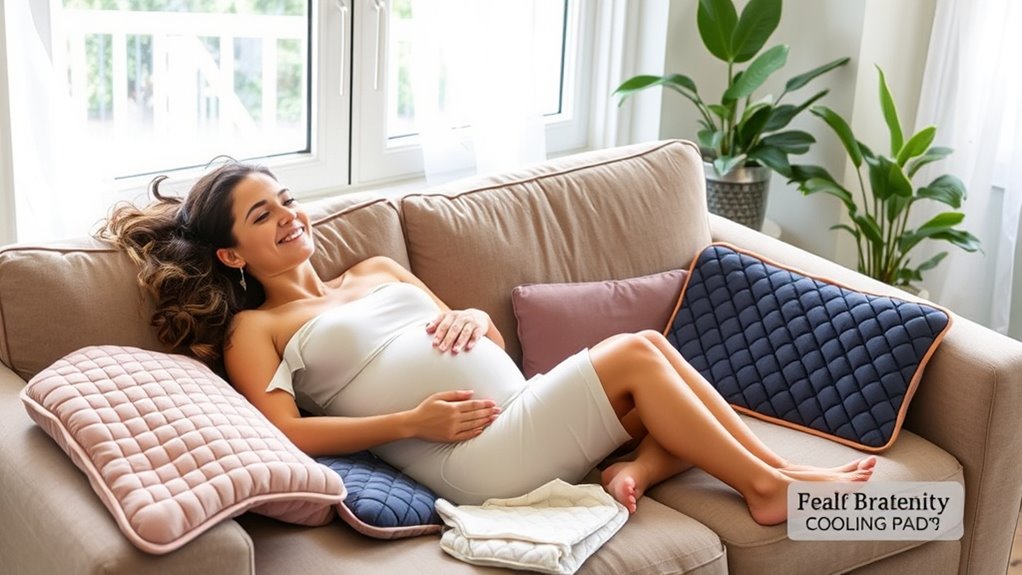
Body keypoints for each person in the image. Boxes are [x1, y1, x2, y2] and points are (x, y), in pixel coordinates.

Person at [99, 161, 875, 526]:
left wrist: (473, 314)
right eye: (262, 214)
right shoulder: (254, 330)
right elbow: (288, 432)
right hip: (474, 458)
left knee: (657, 369)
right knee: (641, 353)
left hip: (519, 404)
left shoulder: (372, 265)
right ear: (232, 253)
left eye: (287, 200)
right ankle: (772, 485)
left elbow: (483, 335)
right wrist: (412, 423)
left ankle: (684, 468)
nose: (289, 216)